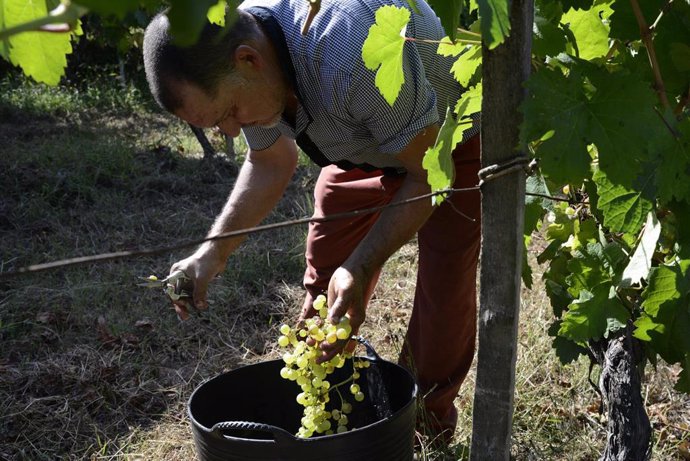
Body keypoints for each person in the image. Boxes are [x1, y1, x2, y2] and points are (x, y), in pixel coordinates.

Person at [143, 0, 481, 443]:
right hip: (360, 138)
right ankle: (328, 420)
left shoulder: (348, 51)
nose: (229, 131)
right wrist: (212, 252)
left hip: (445, 143)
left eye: (228, 113)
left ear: (248, 59)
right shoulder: (248, 49)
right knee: (326, 289)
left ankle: (423, 429)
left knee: (444, 285)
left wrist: (361, 266)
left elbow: (429, 176)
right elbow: (269, 161)